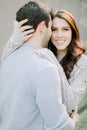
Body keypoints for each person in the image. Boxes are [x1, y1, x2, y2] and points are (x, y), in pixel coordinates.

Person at [0, 1, 78, 130]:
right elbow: (59, 126)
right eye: (51, 27)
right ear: (43, 26)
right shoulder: (45, 68)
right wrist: (73, 120)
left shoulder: (6, 61)